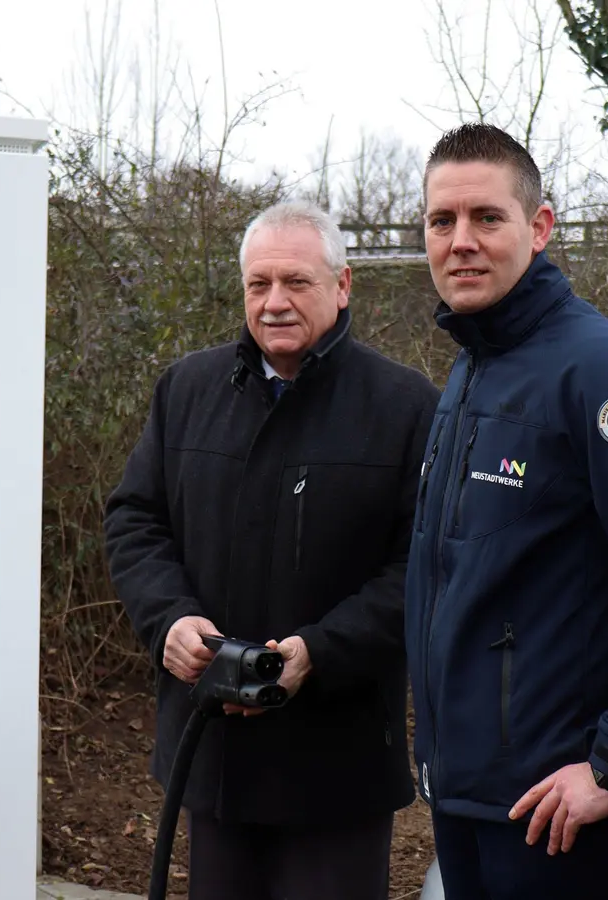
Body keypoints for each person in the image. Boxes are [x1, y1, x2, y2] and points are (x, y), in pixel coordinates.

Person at [103, 199, 440, 900]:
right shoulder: (187, 390)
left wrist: (319, 650)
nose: (275, 303)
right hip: (214, 758)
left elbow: (423, 566)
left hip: (337, 768)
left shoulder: (405, 405)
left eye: (297, 282)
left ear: (342, 285)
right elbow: (136, 519)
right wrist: (168, 620)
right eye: (260, 284)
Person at [404, 122, 608, 899]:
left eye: (486, 218)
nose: (460, 241)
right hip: (468, 795)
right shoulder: (473, 369)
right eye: (442, 221)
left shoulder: (596, 369)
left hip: (555, 816)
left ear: (539, 229)